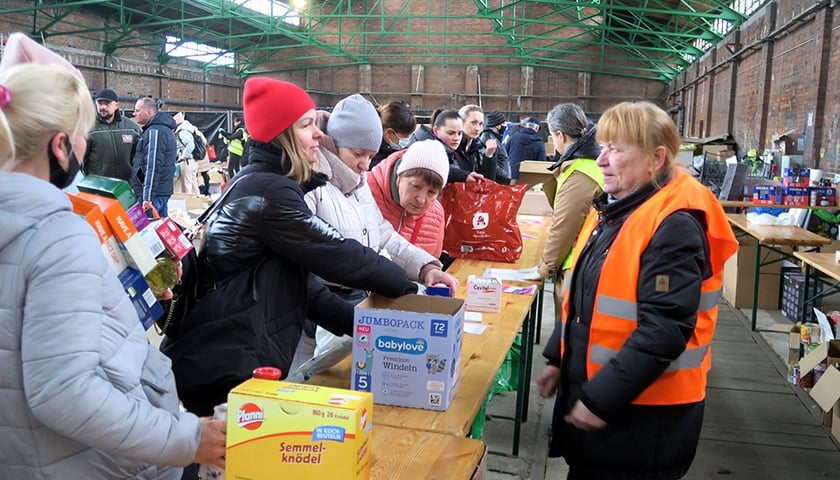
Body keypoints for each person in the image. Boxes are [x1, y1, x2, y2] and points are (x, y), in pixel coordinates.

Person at [0, 32, 224, 480]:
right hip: (90, 461)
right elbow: (65, 389)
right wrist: (187, 438)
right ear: (60, 146)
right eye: (82, 138)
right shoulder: (57, 235)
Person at [160, 78, 420, 417]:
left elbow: (302, 285)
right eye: (306, 124)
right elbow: (340, 255)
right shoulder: (270, 194)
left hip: (229, 357)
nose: (318, 134)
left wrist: (361, 326)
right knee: (226, 464)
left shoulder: (267, 185)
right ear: (281, 134)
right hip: (227, 364)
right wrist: (410, 291)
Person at [535, 101, 738, 479]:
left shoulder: (674, 225)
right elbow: (586, 301)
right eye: (603, 147)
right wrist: (559, 358)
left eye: (615, 149)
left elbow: (664, 328)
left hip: (644, 424)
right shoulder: (617, 209)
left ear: (656, 159)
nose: (600, 160)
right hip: (612, 412)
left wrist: (598, 400)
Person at [296, 94, 457, 366]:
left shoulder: (358, 183)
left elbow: (382, 233)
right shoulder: (310, 185)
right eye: (358, 154)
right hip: (315, 313)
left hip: (353, 303)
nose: (365, 164)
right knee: (308, 382)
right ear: (334, 143)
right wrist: (399, 284)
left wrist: (426, 267)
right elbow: (329, 256)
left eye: (370, 155)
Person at [526, 103, 603, 320]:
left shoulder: (580, 173)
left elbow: (564, 227)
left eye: (551, 135)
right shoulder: (590, 163)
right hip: (587, 259)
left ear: (560, 135)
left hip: (577, 264)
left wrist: (544, 269)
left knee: (568, 331)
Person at [368, 139, 450, 258]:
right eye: (416, 186)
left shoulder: (436, 215)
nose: (421, 199)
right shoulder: (364, 190)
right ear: (399, 176)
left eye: (432, 193)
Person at [131, 96, 177, 217]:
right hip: (160, 190)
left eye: (137, 110)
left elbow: (153, 165)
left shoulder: (155, 132)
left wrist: (147, 197)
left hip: (153, 194)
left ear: (149, 112)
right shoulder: (163, 129)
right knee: (160, 228)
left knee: (148, 231)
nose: (134, 113)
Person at [83, 87, 141, 181]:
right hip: (98, 187)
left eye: (107, 103)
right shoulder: (88, 128)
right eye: (100, 103)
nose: (103, 107)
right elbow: (78, 161)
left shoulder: (131, 128)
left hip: (125, 186)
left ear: (116, 105)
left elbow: (139, 157)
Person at [411, 108, 483, 183]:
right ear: (436, 130)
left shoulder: (445, 149)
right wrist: (463, 176)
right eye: (451, 133)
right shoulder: (424, 148)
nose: (456, 138)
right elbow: (438, 168)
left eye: (460, 133)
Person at [456, 104, 499, 182]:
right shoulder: (452, 145)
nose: (477, 128)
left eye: (480, 124)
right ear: (461, 122)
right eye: (473, 123)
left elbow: (487, 181)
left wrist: (489, 156)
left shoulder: (478, 148)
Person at [370, 101, 416, 169]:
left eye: (411, 135)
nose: (408, 140)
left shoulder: (390, 148)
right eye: (405, 136)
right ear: (390, 133)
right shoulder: (372, 153)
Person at [507, 116, 547, 182]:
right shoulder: (539, 142)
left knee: (512, 191)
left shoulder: (515, 136)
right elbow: (541, 162)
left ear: (526, 125)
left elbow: (505, 152)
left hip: (512, 174)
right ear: (537, 128)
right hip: (529, 177)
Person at [479, 109, 511, 184]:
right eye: (503, 123)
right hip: (497, 183)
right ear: (497, 125)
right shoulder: (490, 140)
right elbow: (491, 163)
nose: (506, 125)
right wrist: (506, 177)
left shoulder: (496, 139)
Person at [172, 111, 201, 195]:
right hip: (193, 161)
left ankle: (189, 203)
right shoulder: (190, 130)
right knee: (193, 183)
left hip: (187, 161)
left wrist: (183, 156)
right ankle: (198, 202)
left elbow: (190, 145)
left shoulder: (182, 132)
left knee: (187, 184)